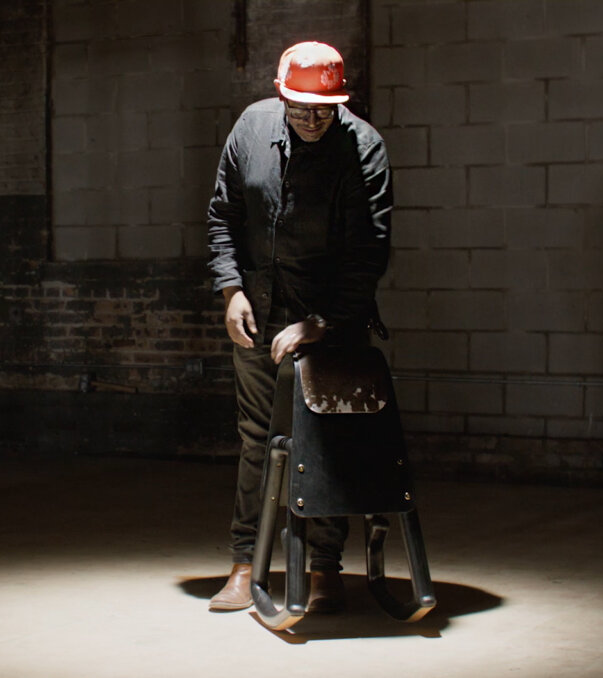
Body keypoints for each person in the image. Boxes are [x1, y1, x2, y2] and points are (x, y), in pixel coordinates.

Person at [206, 41, 392, 613]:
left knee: (326, 439)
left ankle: (324, 567)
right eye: (301, 108)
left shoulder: (363, 147)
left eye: (325, 110)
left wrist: (322, 323)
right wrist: (231, 290)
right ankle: (246, 563)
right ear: (280, 94)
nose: (313, 119)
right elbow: (223, 215)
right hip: (260, 311)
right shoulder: (251, 128)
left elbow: (369, 250)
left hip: (332, 318)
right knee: (257, 439)